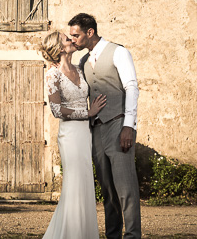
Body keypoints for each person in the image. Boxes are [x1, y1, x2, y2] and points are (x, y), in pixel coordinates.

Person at [68, 13, 141, 239]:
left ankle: (132, 236)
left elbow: (131, 87)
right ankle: (113, 236)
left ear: (90, 33)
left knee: (125, 189)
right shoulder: (82, 61)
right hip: (97, 129)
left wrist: (128, 126)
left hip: (119, 124)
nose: (73, 40)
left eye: (76, 35)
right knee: (108, 190)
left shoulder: (118, 52)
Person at [39, 31, 107, 239]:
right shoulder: (53, 74)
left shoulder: (80, 69)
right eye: (67, 39)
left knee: (86, 184)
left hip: (85, 133)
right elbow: (57, 110)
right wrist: (88, 113)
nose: (72, 39)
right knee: (74, 184)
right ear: (60, 48)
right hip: (69, 135)